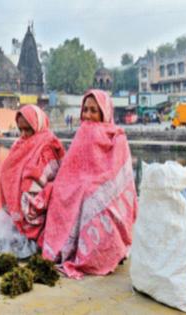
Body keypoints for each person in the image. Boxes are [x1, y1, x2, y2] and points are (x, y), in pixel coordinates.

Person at [43, 89, 138, 279]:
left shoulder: (117, 136)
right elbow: (70, 168)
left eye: (94, 110)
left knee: (91, 198)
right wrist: (65, 185)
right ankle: (65, 249)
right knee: (59, 192)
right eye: (85, 110)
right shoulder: (82, 132)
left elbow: (118, 173)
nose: (87, 115)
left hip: (107, 189)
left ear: (105, 112)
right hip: (79, 185)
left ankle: (97, 256)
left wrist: (91, 185)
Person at [0, 104, 65, 246]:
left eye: (28, 129)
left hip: (41, 209)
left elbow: (50, 175)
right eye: (20, 129)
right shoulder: (19, 145)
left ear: (38, 126)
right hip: (19, 212)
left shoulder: (48, 145)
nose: (23, 134)